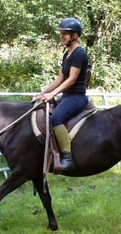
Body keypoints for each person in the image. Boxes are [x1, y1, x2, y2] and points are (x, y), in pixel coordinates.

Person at [33, 17, 89, 174]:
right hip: (66, 96)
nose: (62, 36)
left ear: (75, 36)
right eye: (61, 33)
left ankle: (68, 159)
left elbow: (71, 80)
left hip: (76, 97)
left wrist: (52, 94)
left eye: (65, 33)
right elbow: (60, 78)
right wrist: (43, 93)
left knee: (56, 118)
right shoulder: (67, 53)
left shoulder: (79, 53)